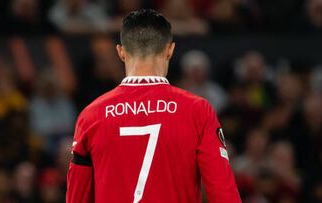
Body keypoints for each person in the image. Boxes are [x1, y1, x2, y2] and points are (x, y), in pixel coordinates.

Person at [66, 9, 241, 203]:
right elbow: (224, 194)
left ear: (121, 52)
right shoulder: (197, 110)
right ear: (170, 50)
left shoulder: (91, 115)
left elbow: (76, 198)